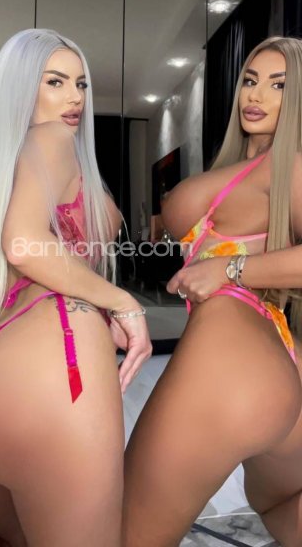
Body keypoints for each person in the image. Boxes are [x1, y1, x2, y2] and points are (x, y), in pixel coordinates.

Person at [0, 29, 152, 547]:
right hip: (46, 364)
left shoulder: (14, 159)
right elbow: (23, 244)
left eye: (81, 84)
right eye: (55, 82)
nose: (75, 98)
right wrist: (121, 301)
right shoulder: (52, 140)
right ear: (23, 88)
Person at [122, 36, 302, 547]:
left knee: (126, 532)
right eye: (251, 80)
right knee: (283, 503)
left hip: (232, 353)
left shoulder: (290, 165)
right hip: (273, 356)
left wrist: (230, 269)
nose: (256, 95)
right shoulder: (251, 165)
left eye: (279, 85)